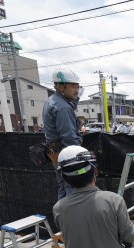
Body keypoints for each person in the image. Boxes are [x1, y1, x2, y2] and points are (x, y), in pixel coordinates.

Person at [43, 68, 84, 200]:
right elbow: (70, 139)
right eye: (73, 86)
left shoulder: (52, 100)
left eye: (78, 86)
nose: (77, 90)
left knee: (63, 185)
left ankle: (62, 218)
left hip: (55, 152)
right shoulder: (63, 107)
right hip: (66, 155)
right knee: (72, 188)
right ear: (61, 86)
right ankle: (73, 219)